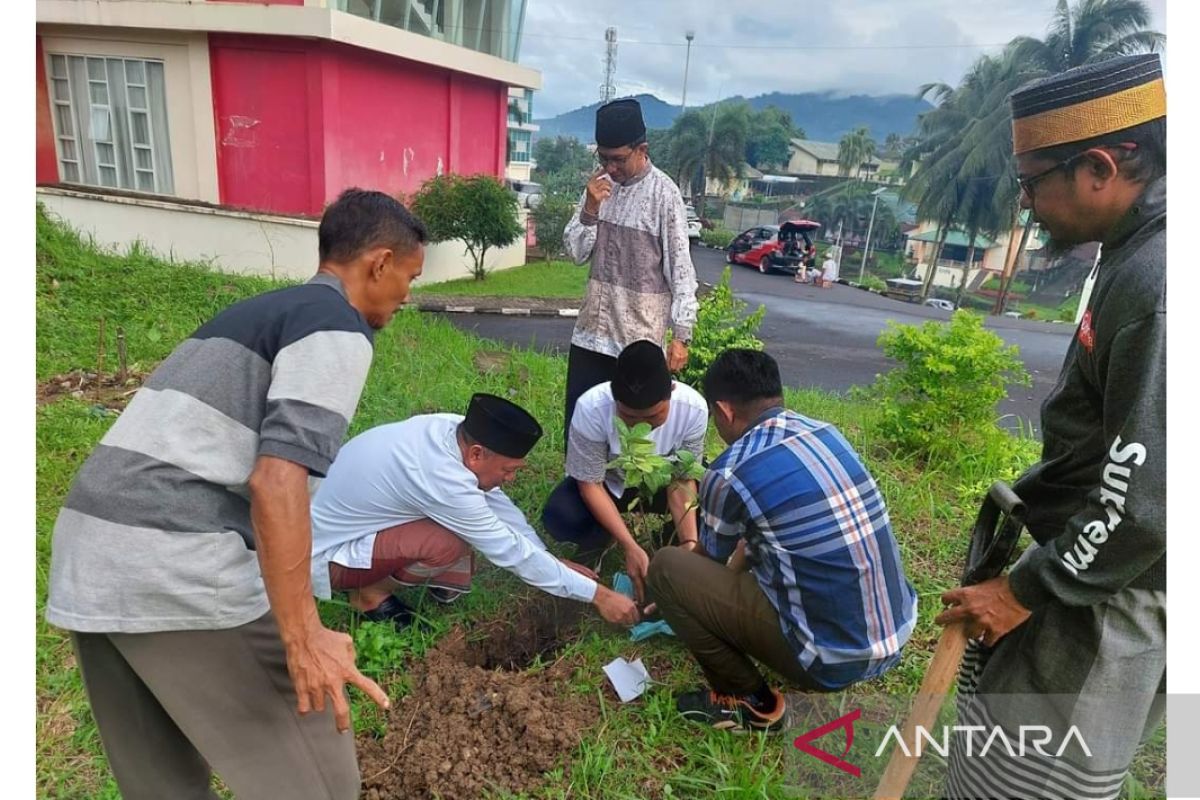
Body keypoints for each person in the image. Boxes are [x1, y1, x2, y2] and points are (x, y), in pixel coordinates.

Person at [43, 189, 428, 798]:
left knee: (162, 786)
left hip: (90, 554)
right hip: (173, 556)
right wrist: (303, 635)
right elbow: (277, 480)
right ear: (379, 262)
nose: (408, 295)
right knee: (321, 785)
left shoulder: (261, 311)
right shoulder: (336, 326)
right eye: (409, 276)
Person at [937, 53, 1166, 800]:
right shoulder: (1137, 249)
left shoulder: (1159, 283)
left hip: (1107, 594)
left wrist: (1024, 590)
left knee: (1036, 778)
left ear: (1099, 167)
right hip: (1095, 576)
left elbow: (1142, 503)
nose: (1026, 202)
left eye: (1031, 181)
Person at [647, 349, 917, 732]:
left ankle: (750, 703)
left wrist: (673, 596)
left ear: (724, 411)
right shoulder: (826, 433)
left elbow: (707, 561)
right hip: (893, 634)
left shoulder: (729, 471)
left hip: (829, 661)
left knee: (668, 568)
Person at [307, 394, 640, 628]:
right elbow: (511, 552)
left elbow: (497, 503)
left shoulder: (453, 431)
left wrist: (549, 559)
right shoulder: (441, 478)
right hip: (318, 555)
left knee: (465, 522)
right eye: (508, 470)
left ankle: (396, 579)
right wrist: (599, 596)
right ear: (478, 455)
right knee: (448, 542)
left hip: (333, 522)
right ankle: (369, 595)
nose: (510, 480)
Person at [561, 97, 699, 440]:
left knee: (631, 439)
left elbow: (681, 271)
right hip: (591, 335)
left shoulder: (665, 196)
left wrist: (681, 336)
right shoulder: (597, 188)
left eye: (618, 159)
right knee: (579, 429)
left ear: (642, 149)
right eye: (603, 158)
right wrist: (590, 208)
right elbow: (576, 252)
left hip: (637, 345)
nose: (611, 167)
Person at [541, 340, 707, 603]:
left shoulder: (694, 409)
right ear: (613, 397)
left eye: (653, 417)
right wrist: (630, 546)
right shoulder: (591, 408)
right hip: (611, 486)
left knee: (713, 501)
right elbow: (590, 483)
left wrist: (689, 546)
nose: (641, 425)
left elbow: (682, 479)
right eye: (628, 417)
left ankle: (666, 545)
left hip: (660, 483)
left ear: (671, 392)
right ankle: (603, 539)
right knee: (562, 514)